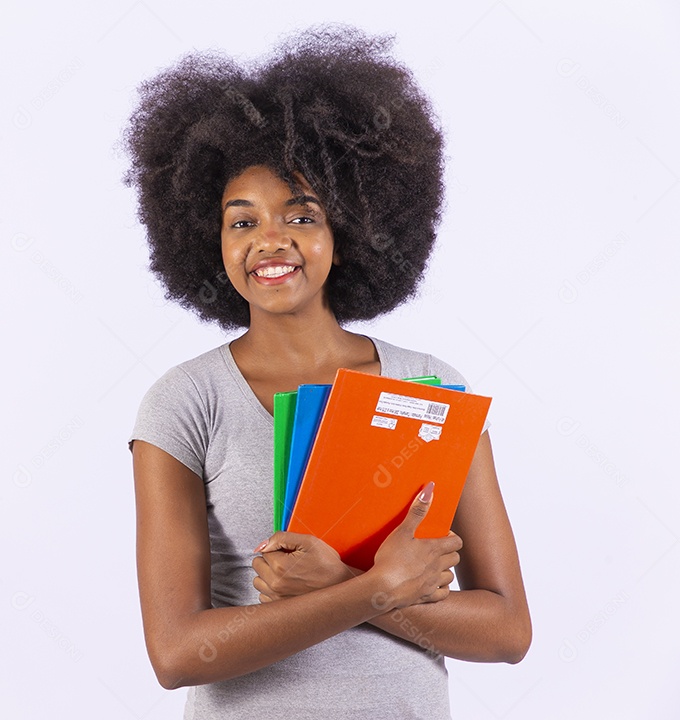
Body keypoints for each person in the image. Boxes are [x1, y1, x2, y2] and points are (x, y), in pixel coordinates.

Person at [123, 26, 531, 719]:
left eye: (301, 215)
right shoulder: (185, 404)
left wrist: (340, 579)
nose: (269, 241)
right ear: (208, 238)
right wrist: (372, 590)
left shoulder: (428, 387)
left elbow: (507, 631)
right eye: (241, 222)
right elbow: (177, 652)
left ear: (348, 232)